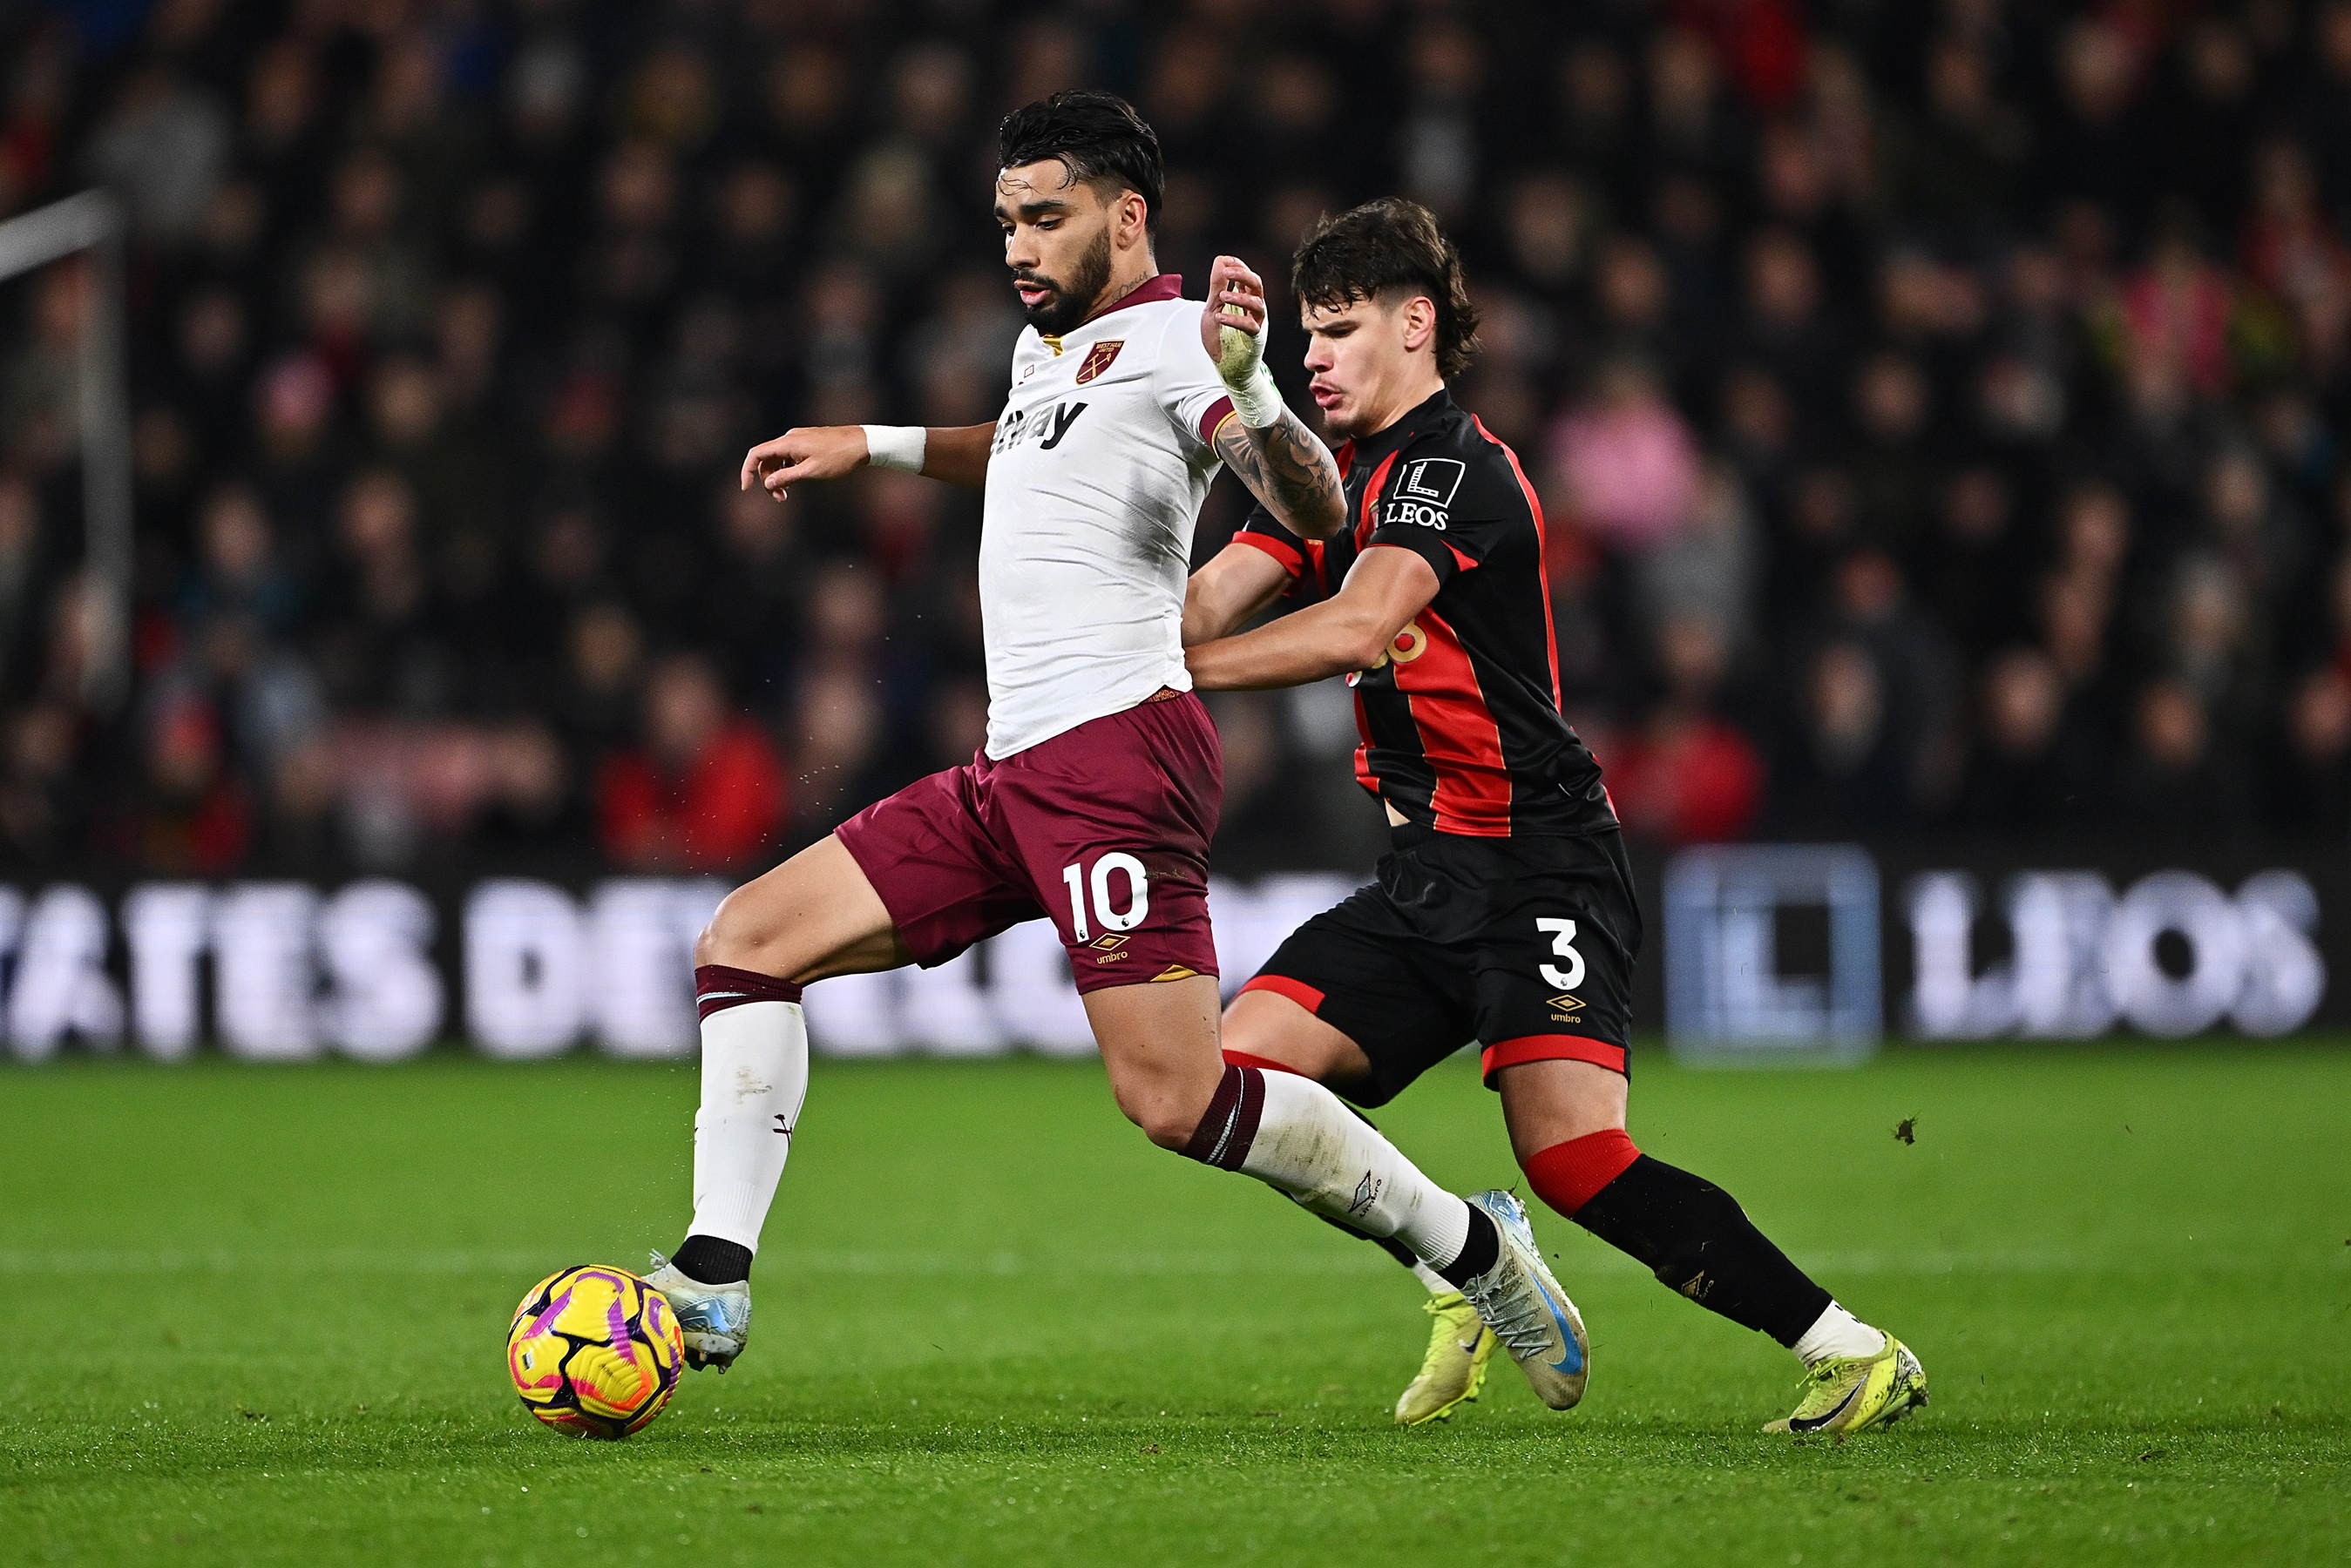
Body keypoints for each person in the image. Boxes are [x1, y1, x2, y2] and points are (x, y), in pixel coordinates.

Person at [645, 93, 1590, 1410]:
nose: (1018, 246)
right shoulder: (1057, 349)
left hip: (1114, 760)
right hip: (1012, 766)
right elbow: (1026, 453)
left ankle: (1472, 1248)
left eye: (1046, 217)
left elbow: (1308, 496)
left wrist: (1255, 378)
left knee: (1175, 1099)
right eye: (1005, 223)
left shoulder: (1180, 345)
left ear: (1125, 216)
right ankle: (711, 1274)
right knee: (744, 939)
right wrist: (874, 443)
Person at [1182, 198, 1927, 1436]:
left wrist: (1175, 674)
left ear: (1415, 326)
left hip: (1540, 866)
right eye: (1302, 335)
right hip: (1426, 875)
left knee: (1576, 1158)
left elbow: (1358, 627)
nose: (1313, 355)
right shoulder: (1336, 483)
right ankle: (1462, 1259)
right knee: (1237, 1076)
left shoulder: (1450, 472)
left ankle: (1850, 1351)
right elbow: (1206, 606)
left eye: (1337, 329)